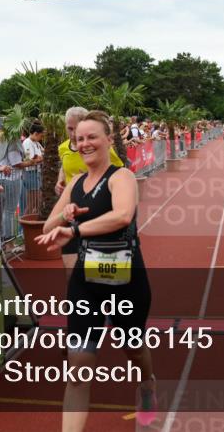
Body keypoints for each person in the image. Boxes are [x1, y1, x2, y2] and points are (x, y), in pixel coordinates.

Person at [35, 111, 157, 430]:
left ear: (108, 140)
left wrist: (75, 229)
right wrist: (67, 213)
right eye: (79, 139)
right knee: (78, 368)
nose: (85, 143)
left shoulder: (121, 177)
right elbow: (48, 226)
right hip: (86, 282)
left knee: (133, 348)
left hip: (126, 280)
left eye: (92, 137)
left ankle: (147, 384)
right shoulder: (75, 183)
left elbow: (122, 215)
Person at [52, 107, 125, 276]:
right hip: (71, 212)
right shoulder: (63, 148)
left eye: (76, 128)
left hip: (96, 211)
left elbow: (117, 170)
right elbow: (64, 166)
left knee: (100, 275)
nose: (72, 133)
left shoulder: (102, 147)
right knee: (72, 272)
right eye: (69, 128)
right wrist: (59, 181)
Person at [0, 124, 26, 241]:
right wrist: (31, 163)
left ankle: (1, 238)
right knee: (9, 211)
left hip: (0, 178)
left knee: (1, 211)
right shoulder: (13, 141)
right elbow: (15, 162)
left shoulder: (1, 140)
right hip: (11, 179)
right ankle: (8, 240)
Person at [20, 122, 45, 215]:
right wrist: (40, 158)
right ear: (35, 133)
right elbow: (32, 160)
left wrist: (40, 158)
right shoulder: (27, 143)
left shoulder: (36, 143)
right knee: (32, 202)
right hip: (30, 174)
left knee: (37, 202)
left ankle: (31, 220)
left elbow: (43, 154)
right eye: (41, 136)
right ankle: (23, 224)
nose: (41, 138)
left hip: (36, 173)